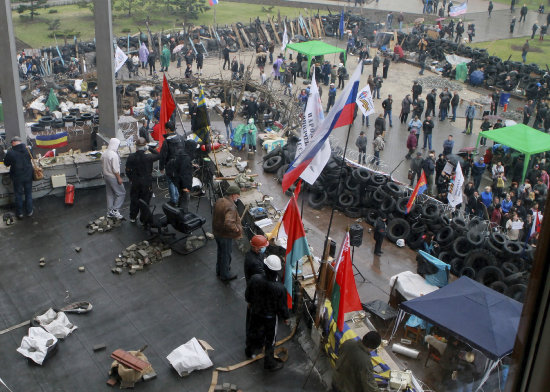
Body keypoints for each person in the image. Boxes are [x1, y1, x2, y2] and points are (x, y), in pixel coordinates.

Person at [245, 255, 289, 371]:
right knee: (270, 340)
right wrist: (285, 317)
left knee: (253, 331)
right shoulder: (280, 288)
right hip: (270, 318)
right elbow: (282, 306)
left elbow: (248, 294)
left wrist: (250, 302)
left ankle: (249, 350)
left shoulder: (255, 279)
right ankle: (269, 363)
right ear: (277, 271)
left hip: (256, 312)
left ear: (265, 267)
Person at [125, 137, 160, 223]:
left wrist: (131, 178)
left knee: (134, 199)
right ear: (144, 147)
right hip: (146, 182)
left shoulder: (131, 157)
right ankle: (144, 219)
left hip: (135, 181)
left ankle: (133, 217)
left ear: (136, 147)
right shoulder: (148, 157)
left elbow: (127, 170)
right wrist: (150, 148)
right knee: (145, 200)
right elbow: (159, 155)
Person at [213, 185, 242, 281]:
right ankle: (225, 275)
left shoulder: (220, 200)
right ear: (233, 195)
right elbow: (229, 223)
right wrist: (237, 229)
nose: (238, 198)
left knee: (220, 252)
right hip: (225, 235)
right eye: (237, 196)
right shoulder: (231, 206)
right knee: (226, 254)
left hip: (217, 232)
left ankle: (219, 270)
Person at [3, 136, 34, 218]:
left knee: (18, 195)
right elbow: (32, 157)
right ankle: (29, 211)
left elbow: (6, 163)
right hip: (28, 176)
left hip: (17, 177)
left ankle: (20, 213)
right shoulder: (28, 149)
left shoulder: (11, 152)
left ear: (13, 142)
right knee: (28, 194)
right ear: (20, 141)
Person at [101, 138, 126, 219]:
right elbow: (115, 169)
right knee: (121, 193)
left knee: (109, 194)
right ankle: (115, 210)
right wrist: (119, 178)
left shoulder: (104, 153)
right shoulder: (113, 155)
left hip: (106, 175)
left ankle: (109, 212)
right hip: (113, 176)